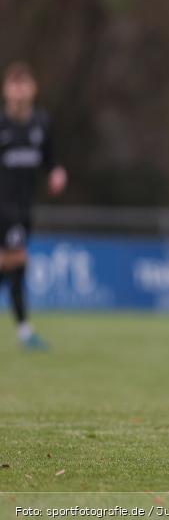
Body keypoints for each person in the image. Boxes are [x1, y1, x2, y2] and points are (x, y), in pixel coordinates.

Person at [0, 62, 67, 350]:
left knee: (15, 267)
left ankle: (25, 331)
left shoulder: (41, 122)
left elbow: (50, 158)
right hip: (3, 206)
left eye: (24, 83)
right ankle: (25, 330)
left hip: (26, 207)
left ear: (34, 89)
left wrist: (56, 171)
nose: (19, 90)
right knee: (18, 259)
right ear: (5, 90)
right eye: (14, 84)